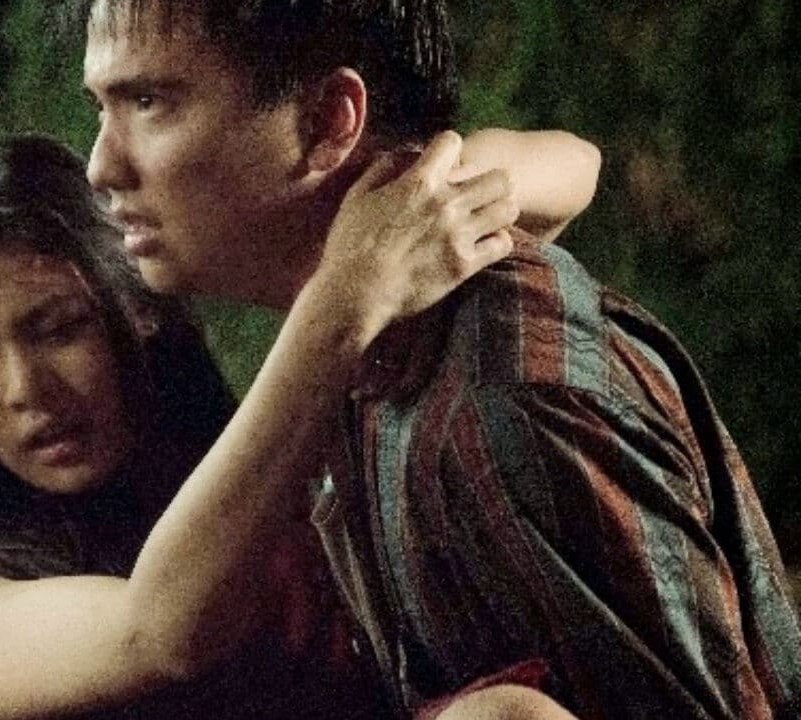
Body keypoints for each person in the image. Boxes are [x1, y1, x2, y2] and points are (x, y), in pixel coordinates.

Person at [71, 1, 801, 719]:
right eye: (102, 107)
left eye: (150, 102)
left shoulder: (500, 401)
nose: (101, 166)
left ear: (327, 121)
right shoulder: (365, 362)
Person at [0, 134, 592, 719]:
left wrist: (415, 197)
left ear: (137, 308)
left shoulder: (272, 463)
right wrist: (344, 301)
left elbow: (574, 167)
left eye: (59, 328)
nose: (25, 390)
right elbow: (159, 632)